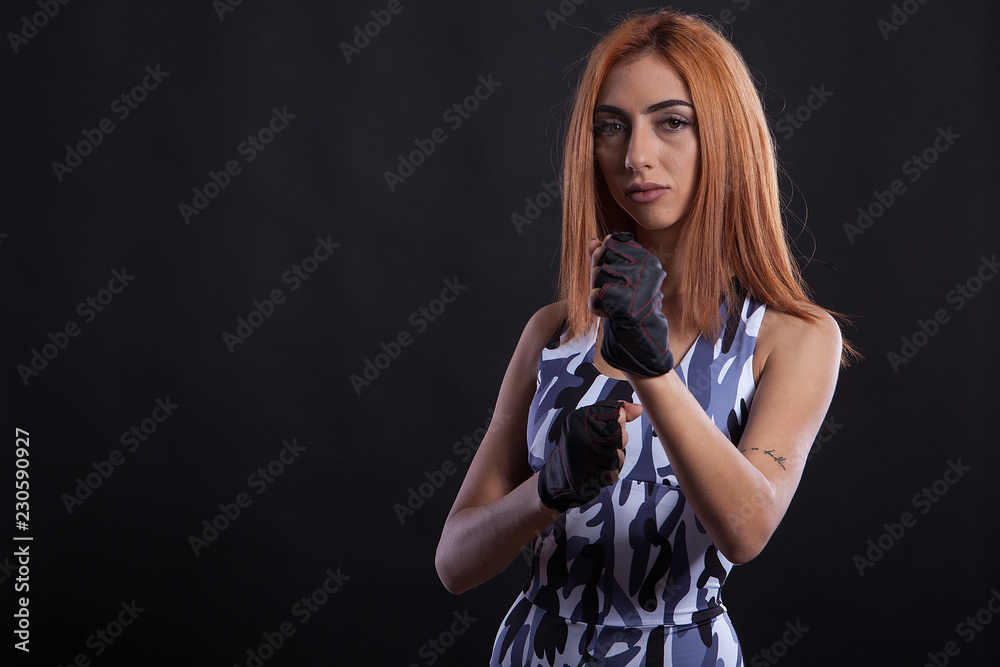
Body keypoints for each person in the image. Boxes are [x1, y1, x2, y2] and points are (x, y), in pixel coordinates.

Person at [435, 8, 853, 665]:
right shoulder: (553, 331)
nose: (635, 155)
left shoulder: (794, 337)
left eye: (672, 121)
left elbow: (746, 530)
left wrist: (651, 367)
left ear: (726, 135)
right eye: (612, 127)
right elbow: (455, 561)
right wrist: (546, 490)